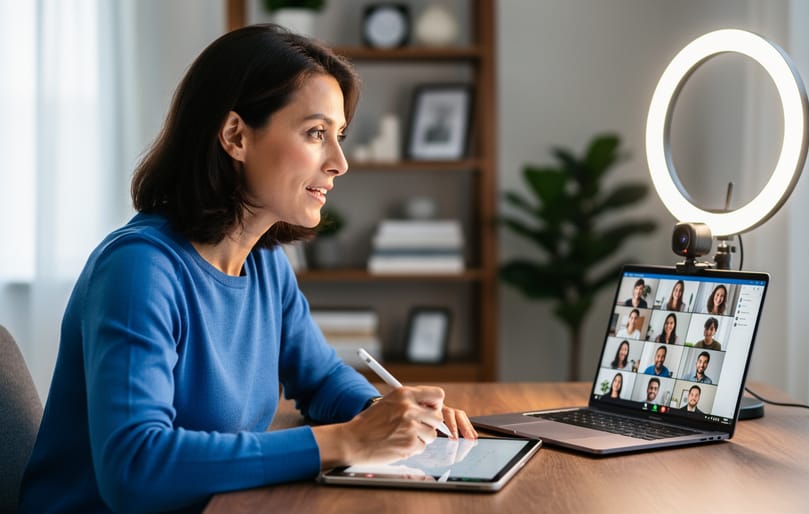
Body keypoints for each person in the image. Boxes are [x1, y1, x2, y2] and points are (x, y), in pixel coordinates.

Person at [19, 25, 476, 514]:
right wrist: (347, 442)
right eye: (316, 133)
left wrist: (383, 417)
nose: (340, 162)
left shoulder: (264, 263)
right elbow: (134, 468)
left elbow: (320, 378)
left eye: (338, 136)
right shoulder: (139, 270)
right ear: (236, 135)